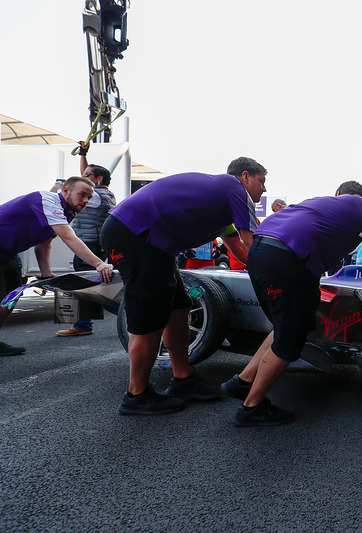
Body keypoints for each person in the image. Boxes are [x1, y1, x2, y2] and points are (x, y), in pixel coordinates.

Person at [221, 181, 362, 426]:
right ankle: (251, 408)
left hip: (260, 250)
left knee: (284, 326)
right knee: (290, 337)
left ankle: (242, 382)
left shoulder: (317, 203)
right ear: (361, 198)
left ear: (338, 194)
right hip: (287, 258)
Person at [100, 156, 266, 415]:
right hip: (136, 234)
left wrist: (262, 269)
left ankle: (183, 379)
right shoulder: (235, 189)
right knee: (150, 321)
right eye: (261, 181)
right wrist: (278, 273)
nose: (264, 189)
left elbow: (242, 252)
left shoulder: (222, 206)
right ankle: (137, 395)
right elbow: (253, 243)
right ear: (246, 176)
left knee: (179, 309)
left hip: (152, 241)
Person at [0, 177, 114, 356]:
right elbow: (69, 237)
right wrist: (99, 264)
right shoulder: (47, 200)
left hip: (9, 253)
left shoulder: (67, 212)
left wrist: (46, 274)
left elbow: (44, 243)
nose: (85, 201)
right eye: (82, 195)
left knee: (10, 299)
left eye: (89, 198)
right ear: (66, 191)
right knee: (1, 297)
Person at [54, 144, 117, 336]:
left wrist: (60, 183)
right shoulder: (106, 194)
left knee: (86, 285)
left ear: (98, 179)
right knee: (90, 284)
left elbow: (76, 183)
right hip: (95, 244)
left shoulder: (95, 195)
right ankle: (84, 324)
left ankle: (85, 325)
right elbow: (84, 174)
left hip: (88, 245)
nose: (83, 177)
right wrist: (83, 154)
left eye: (88, 175)